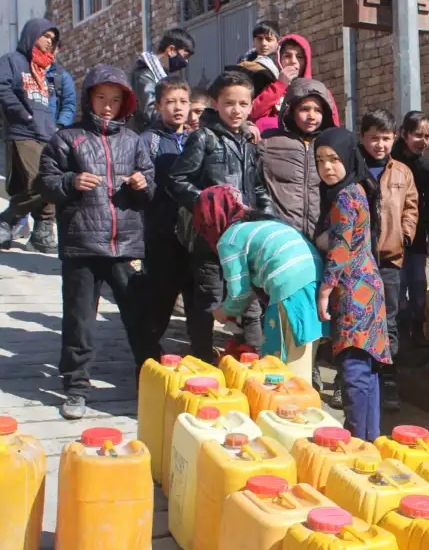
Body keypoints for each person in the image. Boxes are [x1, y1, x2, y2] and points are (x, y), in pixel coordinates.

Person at [36, 64, 154, 419]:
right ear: (88, 98)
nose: (107, 106)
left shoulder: (134, 140)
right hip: (82, 245)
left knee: (139, 315)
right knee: (79, 320)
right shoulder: (66, 138)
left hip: (126, 245)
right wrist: (70, 181)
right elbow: (45, 183)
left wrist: (143, 184)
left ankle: (150, 381)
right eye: (101, 97)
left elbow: (151, 185)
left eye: (115, 100)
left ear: (125, 103)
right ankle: (76, 387)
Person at [169, 71, 274, 362]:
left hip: (244, 237)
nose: (236, 110)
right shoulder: (203, 138)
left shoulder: (249, 143)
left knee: (249, 298)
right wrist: (209, 204)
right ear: (215, 103)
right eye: (229, 103)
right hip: (209, 238)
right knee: (209, 298)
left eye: (243, 104)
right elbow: (177, 179)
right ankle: (202, 358)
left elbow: (257, 186)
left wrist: (267, 216)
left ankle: (252, 357)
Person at [192, 185, 328, 379]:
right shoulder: (263, 223)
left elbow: (239, 293)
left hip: (289, 286)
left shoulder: (229, 239)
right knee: (301, 358)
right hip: (316, 279)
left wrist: (223, 312)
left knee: (279, 369)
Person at [314, 127, 390, 442]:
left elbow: (341, 246)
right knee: (366, 370)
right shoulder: (355, 189)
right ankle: (368, 439)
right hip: (367, 286)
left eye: (334, 159)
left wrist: (325, 290)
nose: (327, 167)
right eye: (320, 160)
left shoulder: (345, 196)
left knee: (355, 370)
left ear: (347, 157)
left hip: (353, 291)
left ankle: (357, 439)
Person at [358, 108, 418, 411]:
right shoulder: (354, 168)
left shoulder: (402, 172)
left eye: (385, 138)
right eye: (373, 138)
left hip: (390, 259)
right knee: (358, 319)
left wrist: (404, 235)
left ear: (394, 138)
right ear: (362, 138)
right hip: (358, 260)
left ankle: (387, 377)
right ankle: (352, 379)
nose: (379, 145)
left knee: (388, 320)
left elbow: (411, 207)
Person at [0, 18, 60, 253]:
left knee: (49, 181)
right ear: (32, 35)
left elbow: (49, 101)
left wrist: (52, 126)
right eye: (45, 36)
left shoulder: (44, 68)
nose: (49, 42)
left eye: (53, 39)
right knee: (40, 184)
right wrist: (23, 114)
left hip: (45, 134)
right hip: (23, 132)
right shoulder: (12, 60)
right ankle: (6, 219)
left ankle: (41, 234)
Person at [140, 76, 197, 355]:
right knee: (159, 298)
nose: (178, 107)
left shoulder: (197, 137)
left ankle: (201, 353)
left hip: (195, 234)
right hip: (161, 232)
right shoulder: (148, 140)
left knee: (197, 299)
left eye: (183, 101)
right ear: (158, 106)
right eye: (170, 102)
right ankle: (147, 356)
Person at [259, 78, 338, 239]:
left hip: (321, 238)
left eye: (318, 110)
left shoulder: (332, 145)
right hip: (282, 237)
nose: (311, 116)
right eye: (304, 109)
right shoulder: (269, 143)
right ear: (291, 110)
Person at [391, 111, 429, 343]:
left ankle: (418, 330)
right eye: (418, 135)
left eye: (427, 136)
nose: (423, 141)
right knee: (397, 286)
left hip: (418, 234)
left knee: (418, 283)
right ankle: (399, 334)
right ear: (404, 134)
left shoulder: (425, 166)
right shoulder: (390, 162)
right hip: (393, 234)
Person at [250, 35, 340, 131]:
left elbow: (333, 128)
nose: (293, 61)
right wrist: (280, 85)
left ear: (306, 61)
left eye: (299, 57)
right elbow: (253, 114)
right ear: (279, 59)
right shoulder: (271, 88)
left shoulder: (320, 91)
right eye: (287, 56)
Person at [130, 27, 196, 133]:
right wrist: (179, 121)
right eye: (185, 56)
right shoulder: (145, 74)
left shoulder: (162, 75)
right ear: (171, 50)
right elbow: (149, 111)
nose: (186, 62)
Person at [48, 50, 77, 129]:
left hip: (52, 131)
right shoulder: (26, 71)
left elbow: (69, 104)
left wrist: (60, 126)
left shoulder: (62, 76)